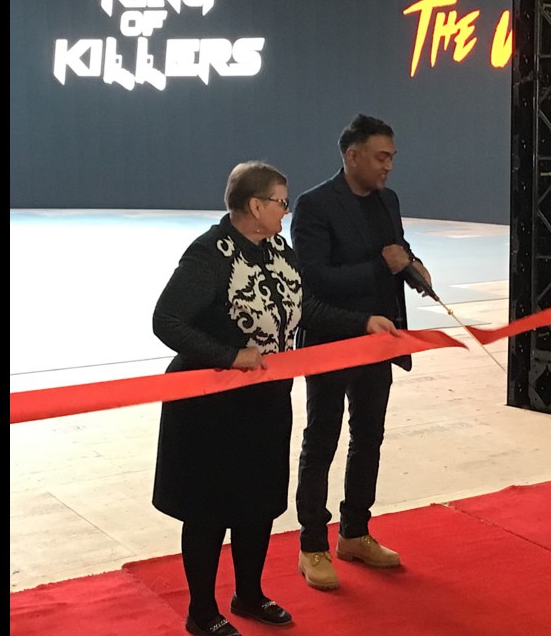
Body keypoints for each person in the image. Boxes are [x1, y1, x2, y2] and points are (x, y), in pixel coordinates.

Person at [152, 161, 397, 635]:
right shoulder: (211, 253)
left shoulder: (277, 249)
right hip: (209, 407)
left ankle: (249, 594)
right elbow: (167, 320)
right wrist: (229, 354)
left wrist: (361, 323)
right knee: (209, 510)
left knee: (258, 502)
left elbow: (307, 308)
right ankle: (202, 611)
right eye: (281, 202)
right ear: (255, 205)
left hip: (265, 402)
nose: (287, 210)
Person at [290, 114, 433, 590]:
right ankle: (313, 544)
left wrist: (413, 268)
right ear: (352, 156)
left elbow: (399, 250)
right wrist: (382, 266)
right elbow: (313, 281)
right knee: (322, 441)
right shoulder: (314, 206)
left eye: (392, 157)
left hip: (380, 341)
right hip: (331, 341)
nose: (389, 167)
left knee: (369, 436)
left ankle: (355, 532)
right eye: (381, 157)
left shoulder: (387, 200)